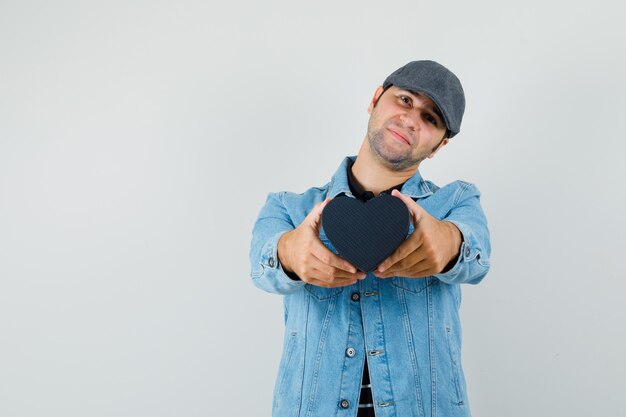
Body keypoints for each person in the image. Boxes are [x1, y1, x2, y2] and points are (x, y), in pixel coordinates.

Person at [249, 60, 491, 417]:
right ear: (376, 99)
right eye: (405, 100)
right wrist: (290, 253)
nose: (411, 120)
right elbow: (261, 264)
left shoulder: (456, 202)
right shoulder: (289, 208)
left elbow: (476, 253)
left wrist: (446, 245)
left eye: (431, 119)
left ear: (439, 145)